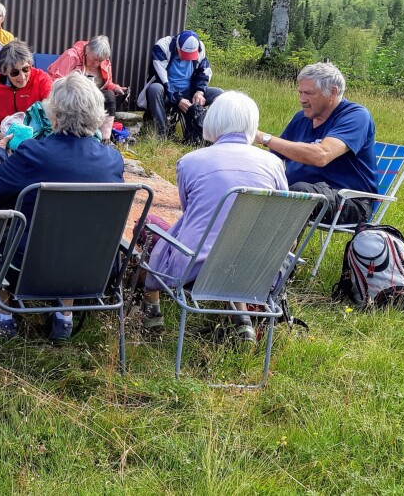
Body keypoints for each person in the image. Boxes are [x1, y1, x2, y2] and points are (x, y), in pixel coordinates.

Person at [0, 72, 125, 341]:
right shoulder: (112, 160)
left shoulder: (34, 152)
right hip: (91, 267)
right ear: (97, 115)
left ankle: (4, 314)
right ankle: (63, 316)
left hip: (29, 265)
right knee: (78, 228)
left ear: (54, 115)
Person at [140, 91, 288, 343]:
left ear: (213, 121)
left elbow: (190, 214)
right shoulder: (273, 163)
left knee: (150, 227)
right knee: (238, 237)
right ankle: (241, 318)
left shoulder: (190, 161)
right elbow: (281, 216)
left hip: (197, 267)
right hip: (258, 269)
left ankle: (151, 313)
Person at [254, 62, 376, 225]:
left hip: (348, 200)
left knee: (301, 194)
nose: (302, 99)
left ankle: (278, 249)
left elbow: (322, 155)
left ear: (333, 92)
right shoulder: (301, 118)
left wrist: (265, 138)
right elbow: (273, 157)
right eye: (300, 93)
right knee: (252, 182)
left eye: (309, 93)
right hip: (299, 194)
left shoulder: (356, 116)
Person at [0, 40, 52, 166]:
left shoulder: (42, 80)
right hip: (5, 137)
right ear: (4, 71)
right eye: (15, 73)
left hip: (36, 139)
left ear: (31, 64)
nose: (22, 77)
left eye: (26, 69)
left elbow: (51, 116)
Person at [139, 30, 224, 141]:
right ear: (178, 46)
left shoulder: (200, 47)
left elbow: (203, 73)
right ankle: (162, 133)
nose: (187, 59)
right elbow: (162, 79)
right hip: (168, 92)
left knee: (220, 94)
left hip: (189, 91)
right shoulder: (162, 46)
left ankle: (211, 132)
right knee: (154, 89)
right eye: (184, 55)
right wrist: (178, 99)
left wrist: (199, 91)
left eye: (190, 56)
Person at [48, 35, 127, 115]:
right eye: (94, 59)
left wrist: (115, 87)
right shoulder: (71, 56)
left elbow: (108, 83)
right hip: (72, 98)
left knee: (110, 95)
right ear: (88, 49)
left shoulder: (105, 62)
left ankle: (107, 127)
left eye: (100, 61)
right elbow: (57, 82)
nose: (96, 64)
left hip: (92, 99)